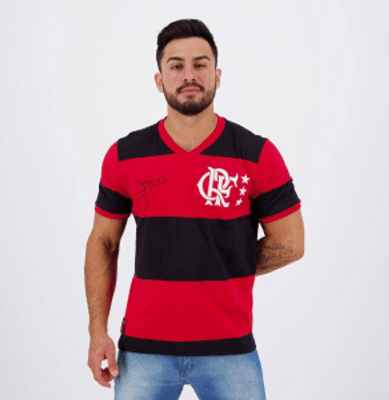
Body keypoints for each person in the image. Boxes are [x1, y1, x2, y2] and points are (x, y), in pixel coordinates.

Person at [84, 18, 305, 400]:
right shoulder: (125, 155)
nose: (189, 75)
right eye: (176, 65)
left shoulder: (257, 154)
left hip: (230, 350)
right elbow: (103, 242)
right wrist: (96, 331)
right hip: (143, 350)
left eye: (200, 64)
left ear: (217, 76)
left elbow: (291, 243)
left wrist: (222, 264)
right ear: (159, 80)